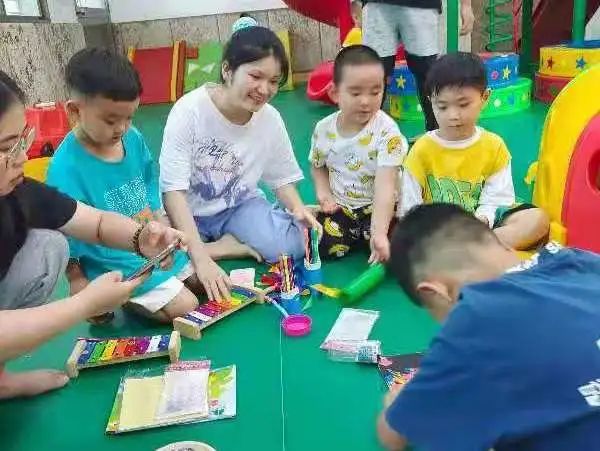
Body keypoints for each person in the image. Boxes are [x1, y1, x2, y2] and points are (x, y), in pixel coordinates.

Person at [0, 70, 185, 398]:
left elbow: (94, 222)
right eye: (7, 148)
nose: (24, 158)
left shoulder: (17, 192)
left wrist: (141, 237)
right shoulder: (68, 164)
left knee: (48, 246)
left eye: (22, 142)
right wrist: (85, 303)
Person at [378, 203, 600, 450]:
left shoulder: (473, 318)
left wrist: (395, 401)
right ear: (502, 245)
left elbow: (393, 435)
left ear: (435, 292)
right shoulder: (583, 260)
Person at [160, 26, 320, 301]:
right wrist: (202, 260)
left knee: (296, 243)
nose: (264, 90)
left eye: (273, 81)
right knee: (159, 256)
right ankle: (226, 247)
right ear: (227, 70)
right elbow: (173, 192)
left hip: (238, 206)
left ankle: (223, 242)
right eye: (255, 76)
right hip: (187, 211)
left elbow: (281, 178)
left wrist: (297, 208)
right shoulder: (189, 112)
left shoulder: (270, 119)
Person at [47, 48, 199, 324]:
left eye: (130, 117)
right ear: (75, 111)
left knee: (202, 281)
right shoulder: (65, 167)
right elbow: (64, 229)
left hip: (149, 241)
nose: (122, 128)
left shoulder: (133, 138)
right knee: (187, 307)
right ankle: (121, 298)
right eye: (111, 120)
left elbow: (149, 178)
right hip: (112, 259)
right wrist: (77, 279)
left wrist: (160, 218)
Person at [400, 52, 549, 250]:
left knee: (537, 219)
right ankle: (472, 252)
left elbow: (498, 198)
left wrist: (483, 219)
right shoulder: (421, 149)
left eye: (463, 104)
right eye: (442, 107)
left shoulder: (494, 146)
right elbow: (409, 208)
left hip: (483, 227)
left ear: (484, 97)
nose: (453, 115)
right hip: (438, 231)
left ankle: (472, 250)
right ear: (430, 102)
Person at [310, 45, 408, 262]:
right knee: (324, 246)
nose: (366, 101)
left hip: (381, 208)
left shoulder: (387, 132)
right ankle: (355, 232)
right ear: (335, 93)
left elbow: (385, 186)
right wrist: (324, 194)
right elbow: (317, 165)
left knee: (398, 248)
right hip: (343, 207)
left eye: (375, 92)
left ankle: (372, 235)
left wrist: (379, 233)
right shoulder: (324, 129)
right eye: (355, 93)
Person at [362, 0, 475, 131]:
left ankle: (438, 134)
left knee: (428, 74)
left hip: (422, 7)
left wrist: (466, 5)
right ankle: (364, 135)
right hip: (376, 6)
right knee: (373, 74)